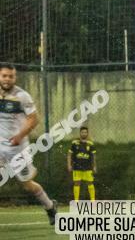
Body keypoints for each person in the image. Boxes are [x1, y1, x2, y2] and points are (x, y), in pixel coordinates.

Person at [0, 64, 58, 224]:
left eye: (10, 76)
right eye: (4, 75)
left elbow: (34, 119)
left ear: (14, 77)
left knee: (27, 184)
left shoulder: (22, 96)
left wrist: (19, 136)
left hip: (18, 149)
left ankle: (50, 207)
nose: (7, 79)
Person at [67, 126, 97, 201]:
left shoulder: (90, 144)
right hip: (77, 167)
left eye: (85, 132)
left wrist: (94, 166)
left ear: (87, 133)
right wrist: (69, 165)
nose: (84, 134)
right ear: (80, 133)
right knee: (77, 183)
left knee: (90, 183)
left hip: (88, 167)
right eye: (82, 132)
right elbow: (69, 154)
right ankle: (76, 201)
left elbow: (93, 156)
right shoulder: (74, 143)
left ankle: (93, 201)